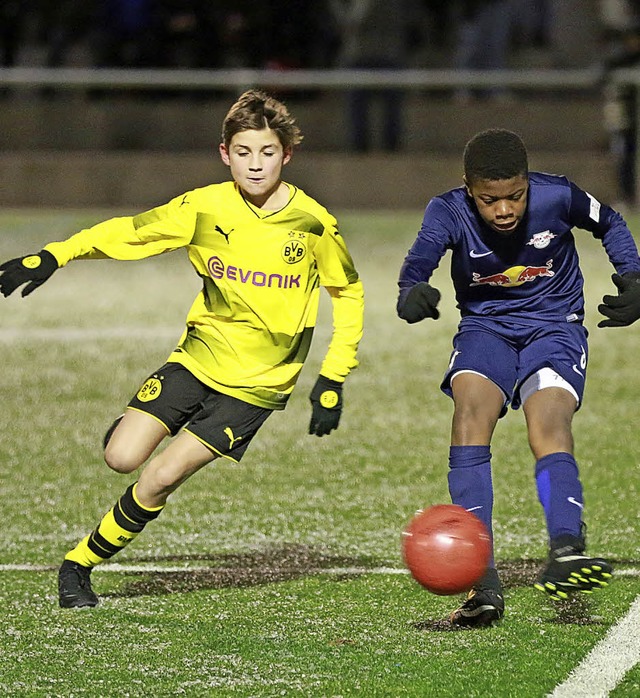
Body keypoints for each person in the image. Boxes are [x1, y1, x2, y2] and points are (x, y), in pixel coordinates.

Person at [0, 89, 365, 608]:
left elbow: (347, 293)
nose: (255, 165)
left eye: (267, 152)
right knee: (121, 457)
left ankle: (78, 564)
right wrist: (55, 255)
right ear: (225, 154)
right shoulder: (203, 207)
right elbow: (131, 234)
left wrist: (333, 376)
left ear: (287, 154)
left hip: (256, 390)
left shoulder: (313, 223)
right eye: (243, 152)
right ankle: (138, 428)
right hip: (196, 361)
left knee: (160, 477)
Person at [397, 128, 640, 627]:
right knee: (469, 415)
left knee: (547, 424)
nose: (504, 210)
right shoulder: (446, 211)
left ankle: (567, 547)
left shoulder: (559, 194)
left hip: (555, 328)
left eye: (515, 196)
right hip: (486, 329)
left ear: (528, 184)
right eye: (490, 200)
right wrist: (411, 289)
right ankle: (482, 582)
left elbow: (610, 222)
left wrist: (635, 276)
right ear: (468, 189)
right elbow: (420, 259)